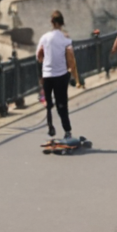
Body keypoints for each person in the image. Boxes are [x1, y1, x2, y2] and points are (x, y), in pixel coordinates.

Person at [35, 9, 81, 141]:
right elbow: (71, 58)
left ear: (51, 22)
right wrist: (74, 76)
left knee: (49, 104)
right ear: (62, 23)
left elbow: (38, 56)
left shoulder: (44, 38)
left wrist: (45, 61)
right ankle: (67, 131)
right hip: (61, 75)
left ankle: (50, 126)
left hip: (47, 75)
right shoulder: (66, 39)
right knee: (62, 104)